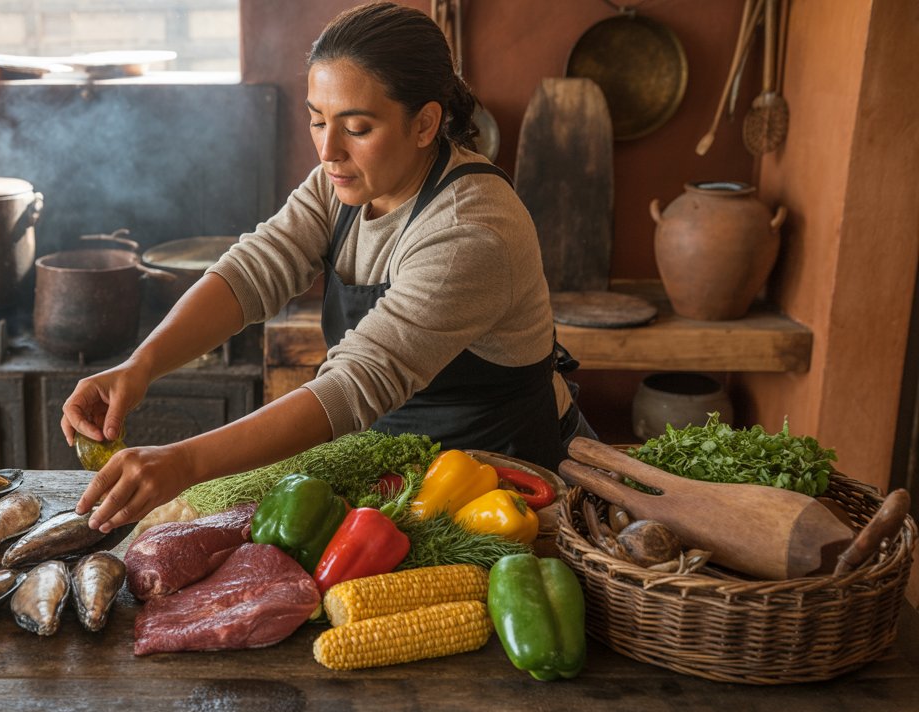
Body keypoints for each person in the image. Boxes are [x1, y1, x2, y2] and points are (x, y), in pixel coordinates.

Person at [63, 1, 595, 533]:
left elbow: (357, 383)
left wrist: (184, 463)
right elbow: (255, 269)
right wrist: (141, 365)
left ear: (425, 123)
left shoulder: (469, 231)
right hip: (398, 471)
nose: (328, 150)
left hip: (502, 483)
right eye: (318, 120)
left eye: (357, 128)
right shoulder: (343, 182)